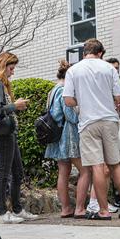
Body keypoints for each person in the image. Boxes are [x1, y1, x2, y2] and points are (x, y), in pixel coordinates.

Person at [63, 39, 120, 220]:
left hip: (88, 123)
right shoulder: (109, 69)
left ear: (84, 52)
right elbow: (119, 97)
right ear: (101, 52)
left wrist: (84, 102)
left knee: (96, 166)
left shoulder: (73, 70)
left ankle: (103, 211)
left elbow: (68, 100)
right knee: (115, 164)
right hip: (109, 121)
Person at [0, 52, 38, 223]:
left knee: (17, 172)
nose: (13, 72)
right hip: (4, 133)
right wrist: (16, 105)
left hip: (7, 133)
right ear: (3, 66)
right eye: (11, 68)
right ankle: (3, 213)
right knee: (4, 173)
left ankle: (16, 209)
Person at [86, 57, 120, 212]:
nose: (115, 70)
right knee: (106, 168)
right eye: (113, 68)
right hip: (104, 128)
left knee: (118, 166)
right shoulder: (100, 87)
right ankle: (97, 202)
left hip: (119, 129)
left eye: (118, 68)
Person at [44, 60, 91, 219]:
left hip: (57, 136)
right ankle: (79, 208)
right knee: (86, 170)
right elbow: (70, 116)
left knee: (63, 172)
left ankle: (65, 208)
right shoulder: (64, 89)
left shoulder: (52, 90)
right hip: (69, 134)